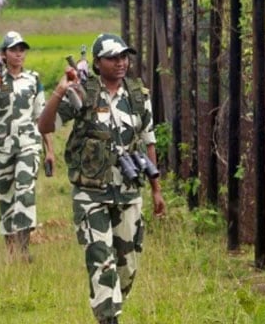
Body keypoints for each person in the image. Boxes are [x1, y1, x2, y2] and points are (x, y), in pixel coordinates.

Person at [37, 33, 166, 324]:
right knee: (101, 261)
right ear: (97, 63)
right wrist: (60, 90)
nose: (121, 62)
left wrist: (156, 190)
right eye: (113, 58)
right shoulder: (83, 93)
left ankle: (110, 309)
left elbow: (149, 143)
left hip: (129, 192)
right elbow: (44, 125)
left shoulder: (138, 97)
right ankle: (108, 319)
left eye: (124, 56)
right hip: (90, 194)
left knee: (127, 268)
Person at [0, 31, 54, 262]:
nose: (19, 54)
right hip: (1, 146)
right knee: (5, 194)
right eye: (14, 49)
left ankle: (25, 248)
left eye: (22, 49)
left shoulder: (34, 80)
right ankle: (10, 249)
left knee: (25, 191)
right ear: (4, 54)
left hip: (28, 142)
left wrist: (49, 151)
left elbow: (42, 116)